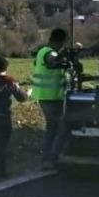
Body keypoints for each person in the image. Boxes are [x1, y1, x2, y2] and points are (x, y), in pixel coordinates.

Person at [32, 28, 75, 168]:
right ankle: (52, 159)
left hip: (45, 97)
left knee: (51, 129)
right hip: (51, 98)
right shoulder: (50, 53)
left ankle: (46, 159)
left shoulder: (41, 51)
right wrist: (64, 55)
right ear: (61, 42)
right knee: (62, 128)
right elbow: (52, 61)